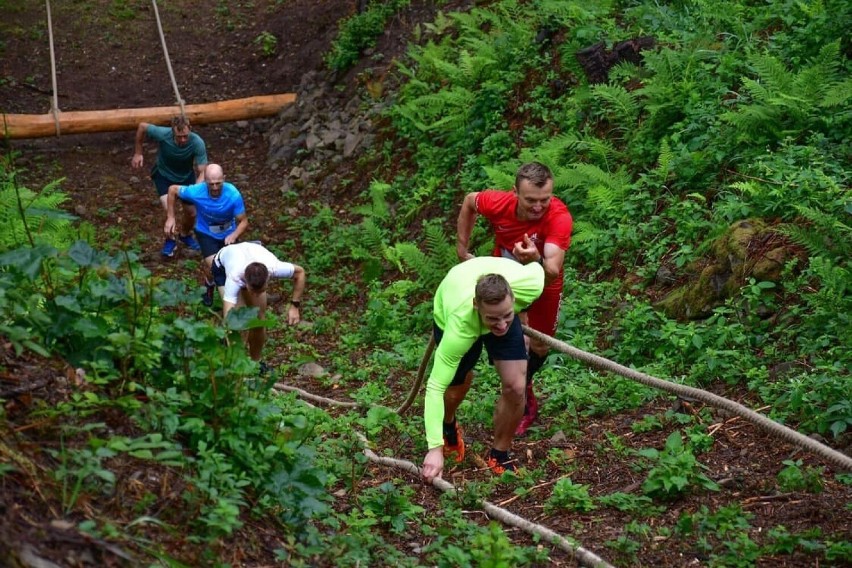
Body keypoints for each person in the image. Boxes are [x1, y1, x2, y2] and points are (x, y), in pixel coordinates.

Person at [456, 162, 572, 436]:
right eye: (531, 200)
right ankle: (519, 395)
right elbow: (470, 202)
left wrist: (536, 259)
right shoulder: (500, 204)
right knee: (512, 336)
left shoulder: (559, 217)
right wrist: (462, 247)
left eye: (545, 199)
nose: (538, 207)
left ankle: (524, 383)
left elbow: (553, 272)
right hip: (505, 280)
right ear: (515, 193)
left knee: (541, 346)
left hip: (544, 283)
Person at [421, 256, 544, 482]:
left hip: (494, 305)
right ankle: (448, 424)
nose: (502, 325)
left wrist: (519, 313)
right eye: (494, 319)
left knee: (516, 387)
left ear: (514, 298)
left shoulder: (530, 285)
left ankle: (499, 453)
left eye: (507, 316)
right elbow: (435, 386)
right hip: (453, 309)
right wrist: (434, 448)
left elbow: (540, 266)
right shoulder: (459, 328)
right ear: (477, 306)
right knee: (456, 386)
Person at [164, 163, 249, 306]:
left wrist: (234, 235)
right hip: (206, 233)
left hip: (229, 234)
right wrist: (170, 217)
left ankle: (211, 282)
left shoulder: (233, 195)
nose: (215, 188)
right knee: (217, 267)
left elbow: (244, 222)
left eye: (218, 184)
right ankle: (228, 306)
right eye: (211, 184)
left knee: (233, 267)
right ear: (205, 182)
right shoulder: (196, 191)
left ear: (224, 179)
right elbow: (172, 190)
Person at [211, 241, 305, 364]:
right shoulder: (234, 278)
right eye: (253, 291)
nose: (255, 295)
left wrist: (294, 306)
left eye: (261, 291)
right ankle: (235, 364)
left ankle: (255, 363)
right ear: (246, 284)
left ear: (268, 279)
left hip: (252, 252)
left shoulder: (274, 267)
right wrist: (229, 331)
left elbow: (300, 273)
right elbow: (230, 317)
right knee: (238, 323)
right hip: (222, 267)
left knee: (259, 321)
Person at [131, 115, 208, 257]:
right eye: (179, 137)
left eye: (185, 136)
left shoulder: (197, 142)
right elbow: (142, 126)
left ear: (190, 130)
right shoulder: (163, 134)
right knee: (169, 208)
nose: (183, 140)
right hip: (163, 175)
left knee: (192, 213)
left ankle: (185, 234)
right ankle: (170, 240)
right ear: (173, 132)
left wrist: (195, 190)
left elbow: (203, 171)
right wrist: (138, 152)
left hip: (186, 177)